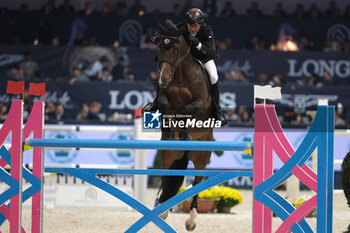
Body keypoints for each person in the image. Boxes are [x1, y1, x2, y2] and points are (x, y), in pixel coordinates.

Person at [144, 8, 226, 124]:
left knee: (213, 76)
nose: (192, 28)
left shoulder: (207, 31)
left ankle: (217, 110)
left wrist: (198, 44)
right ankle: (156, 102)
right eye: (190, 25)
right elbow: (169, 36)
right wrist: (158, 38)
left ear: (200, 24)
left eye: (195, 26)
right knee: (165, 71)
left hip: (203, 58)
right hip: (185, 58)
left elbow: (212, 53)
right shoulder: (181, 27)